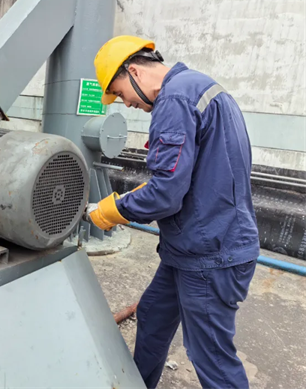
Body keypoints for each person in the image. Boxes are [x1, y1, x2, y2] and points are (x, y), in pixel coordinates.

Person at [88, 36, 260, 389]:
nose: (127, 103)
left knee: (211, 359)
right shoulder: (200, 86)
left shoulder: (174, 100)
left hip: (209, 255)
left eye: (120, 93)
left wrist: (111, 210)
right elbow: (189, 175)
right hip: (195, 244)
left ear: (134, 71)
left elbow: (166, 195)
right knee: (153, 316)